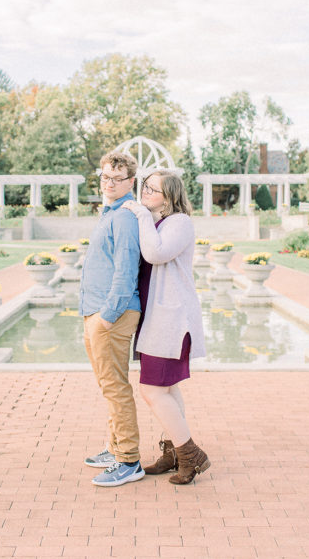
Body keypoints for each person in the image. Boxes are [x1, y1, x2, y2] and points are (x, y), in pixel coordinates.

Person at [122, 170, 211, 484]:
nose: (145, 192)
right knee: (169, 389)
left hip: (171, 320)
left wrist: (139, 213)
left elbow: (155, 253)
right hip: (155, 319)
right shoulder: (157, 222)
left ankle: (190, 454)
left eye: (153, 189)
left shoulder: (179, 223)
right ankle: (172, 452)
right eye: (145, 186)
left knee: (152, 390)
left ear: (170, 196)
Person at [80, 150, 144, 487]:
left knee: (116, 387)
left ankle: (129, 460)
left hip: (111, 315)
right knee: (109, 386)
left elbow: (125, 271)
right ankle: (115, 446)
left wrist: (106, 317)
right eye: (105, 177)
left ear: (130, 182)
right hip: (96, 312)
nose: (109, 183)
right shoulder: (110, 213)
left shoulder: (123, 217)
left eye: (116, 178)